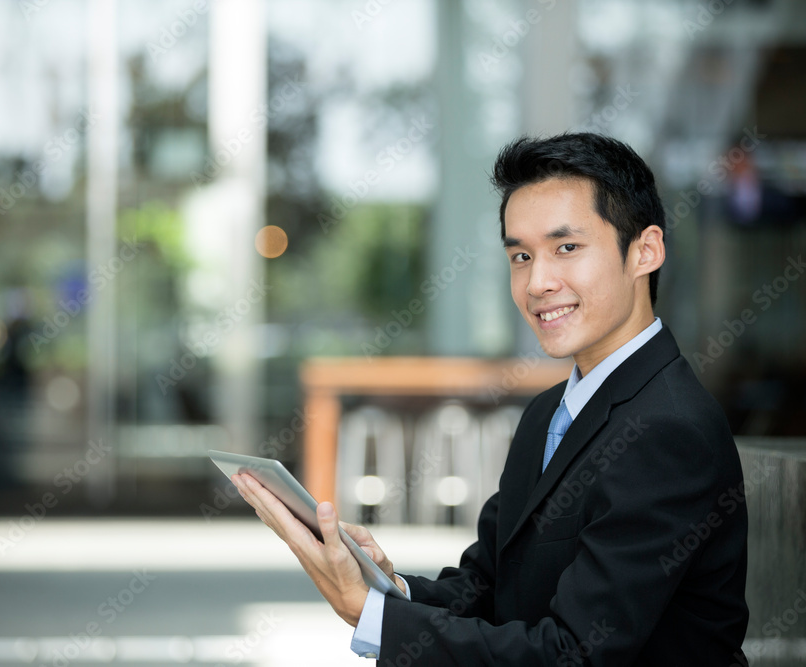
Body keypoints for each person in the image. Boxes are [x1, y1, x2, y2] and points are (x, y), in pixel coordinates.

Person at [232, 132, 749, 666]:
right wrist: (389, 589)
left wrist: (375, 617)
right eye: (520, 255)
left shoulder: (667, 428)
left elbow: (576, 655)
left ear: (645, 252)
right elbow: (489, 587)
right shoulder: (550, 412)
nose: (538, 281)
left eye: (566, 248)